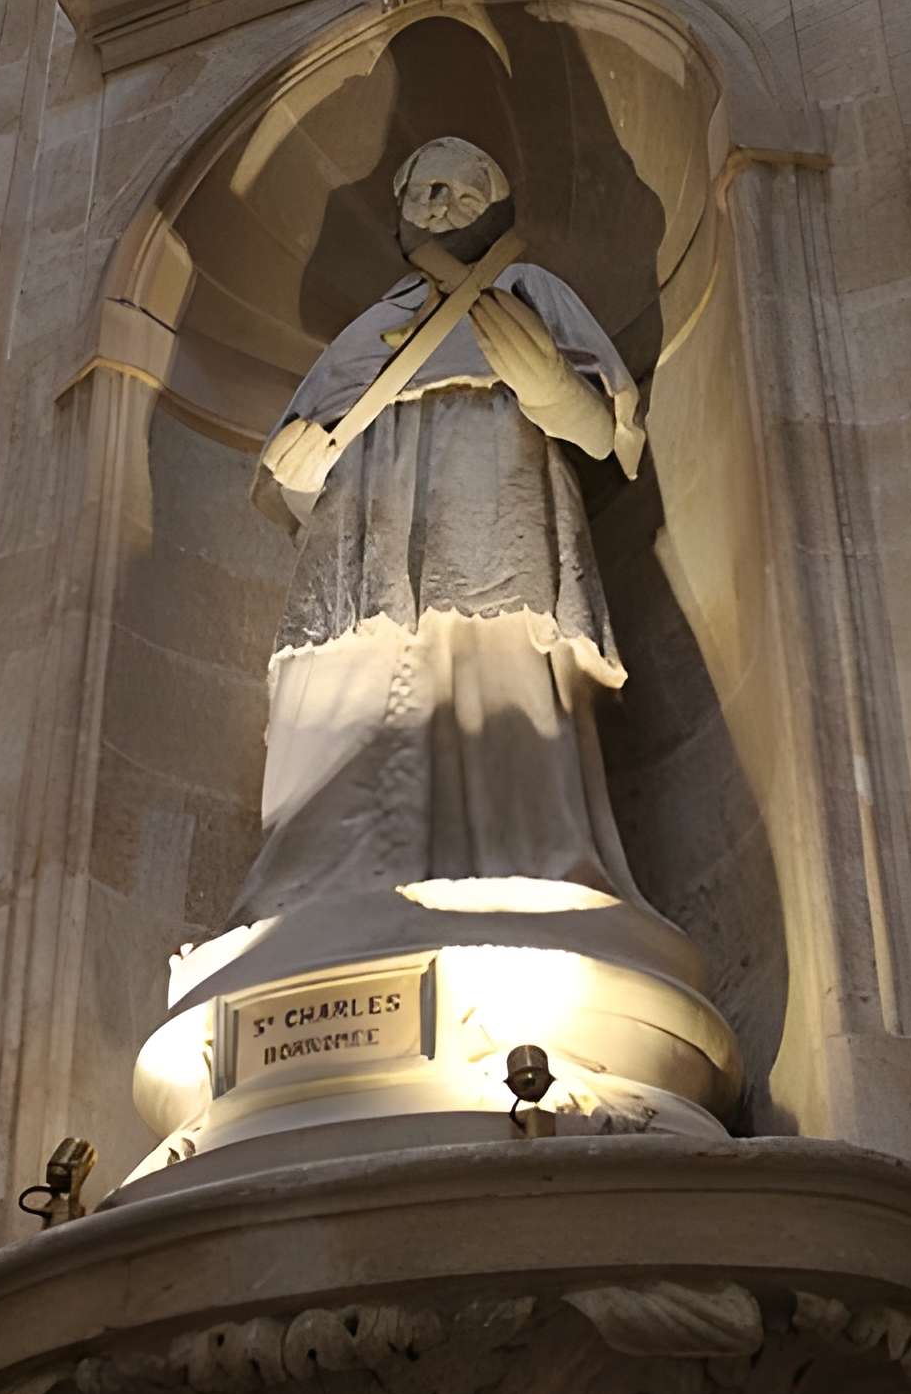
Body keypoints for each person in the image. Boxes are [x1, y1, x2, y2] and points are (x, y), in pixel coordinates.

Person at [230, 134, 651, 920]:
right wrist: (301, 467)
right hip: (368, 528)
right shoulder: (368, 329)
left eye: (461, 192)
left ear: (495, 207)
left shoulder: (527, 290)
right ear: (399, 213)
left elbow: (605, 436)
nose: (441, 206)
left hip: (491, 496)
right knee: (355, 678)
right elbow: (302, 491)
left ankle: (511, 860)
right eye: (425, 192)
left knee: (493, 663)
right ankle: (338, 883)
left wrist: (550, 388)